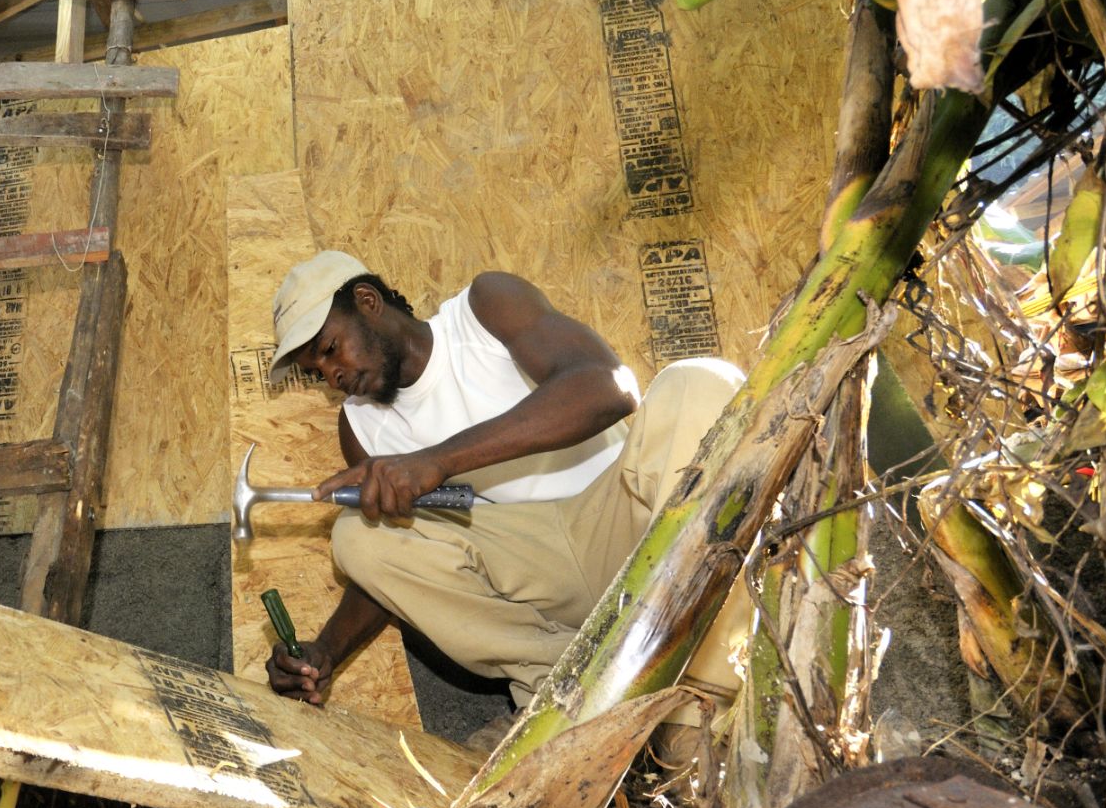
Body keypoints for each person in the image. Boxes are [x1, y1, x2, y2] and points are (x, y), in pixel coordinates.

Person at [261, 250, 747, 729]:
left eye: (329, 350)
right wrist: (325, 651)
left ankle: (705, 682)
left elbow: (607, 387)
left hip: (633, 517)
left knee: (698, 384)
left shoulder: (484, 308)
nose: (333, 377)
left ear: (367, 302)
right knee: (356, 536)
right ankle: (570, 689)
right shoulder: (362, 428)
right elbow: (398, 558)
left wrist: (439, 460)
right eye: (316, 373)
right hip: (544, 576)